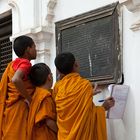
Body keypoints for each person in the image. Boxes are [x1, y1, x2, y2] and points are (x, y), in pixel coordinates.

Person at [53, 52, 115, 140]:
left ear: (58, 71)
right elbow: (88, 115)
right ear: (76, 64)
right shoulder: (84, 85)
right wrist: (103, 108)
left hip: (63, 136)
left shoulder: (57, 87)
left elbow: (67, 109)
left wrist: (89, 93)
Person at [0, 35, 37, 140]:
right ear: (28, 50)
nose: (36, 49)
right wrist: (29, 99)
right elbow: (16, 79)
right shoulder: (25, 63)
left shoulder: (12, 64)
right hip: (19, 108)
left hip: (10, 109)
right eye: (34, 47)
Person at [28, 63, 57, 140]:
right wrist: (60, 131)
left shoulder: (36, 93)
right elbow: (49, 122)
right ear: (49, 77)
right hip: (46, 136)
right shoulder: (45, 97)